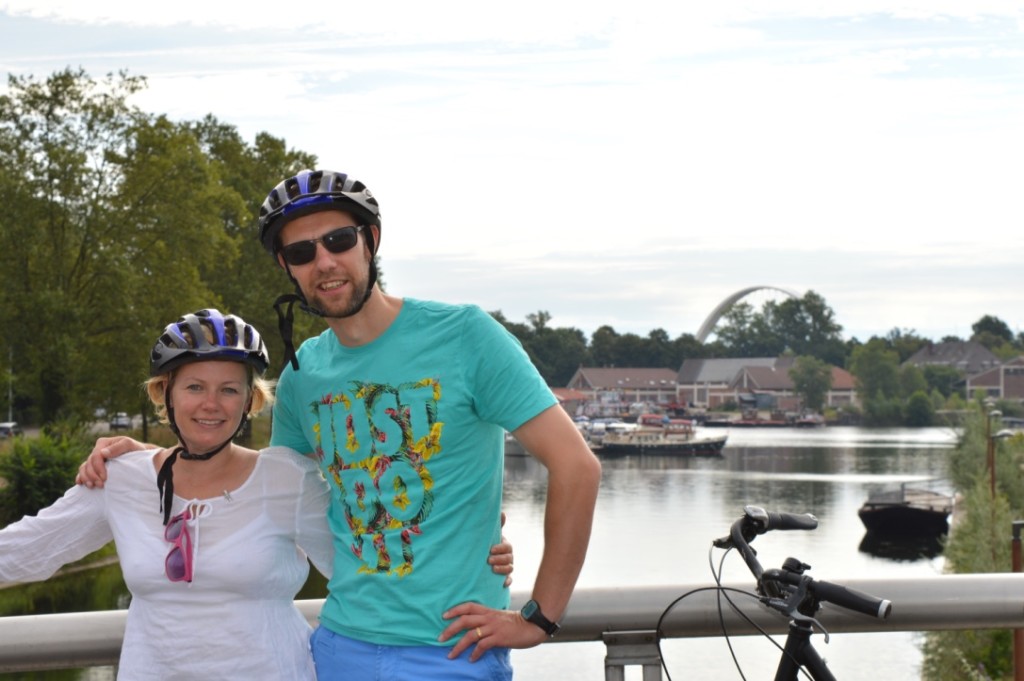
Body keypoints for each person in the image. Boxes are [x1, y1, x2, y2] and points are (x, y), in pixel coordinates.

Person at [81, 169, 602, 679]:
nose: (324, 262)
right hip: (337, 646)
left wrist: (539, 616)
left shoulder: (464, 336)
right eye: (302, 252)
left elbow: (577, 467)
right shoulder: (305, 374)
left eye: (338, 240)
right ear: (288, 267)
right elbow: (266, 491)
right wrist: (156, 457)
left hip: (446, 652)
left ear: (370, 241)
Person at [9, 308, 511, 680]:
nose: (212, 404)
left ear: (251, 402)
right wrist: (141, 456)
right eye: (194, 388)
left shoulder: (285, 480)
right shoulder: (122, 479)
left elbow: (367, 560)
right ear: (164, 394)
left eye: (230, 389)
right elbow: (26, 551)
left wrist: (468, 548)